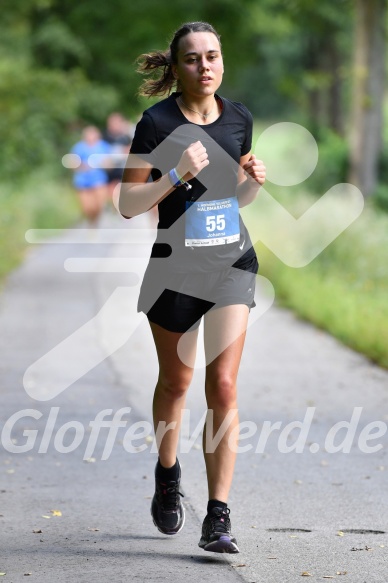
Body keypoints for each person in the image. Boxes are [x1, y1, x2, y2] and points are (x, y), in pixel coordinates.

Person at [119, 22, 266, 553]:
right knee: (176, 384)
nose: (205, 66)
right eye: (192, 59)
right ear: (176, 68)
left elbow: (234, 200)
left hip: (232, 263)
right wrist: (175, 174)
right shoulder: (155, 123)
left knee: (222, 386)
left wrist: (250, 181)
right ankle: (166, 473)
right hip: (174, 269)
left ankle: (218, 515)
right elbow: (128, 204)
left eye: (212, 56)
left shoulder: (240, 118)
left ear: (221, 62)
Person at [70, 126, 111, 225]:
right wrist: (81, 166)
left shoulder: (103, 146)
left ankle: (96, 222)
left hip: (99, 179)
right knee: (87, 207)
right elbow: (72, 163)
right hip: (82, 180)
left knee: (99, 205)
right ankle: (91, 221)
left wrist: (105, 164)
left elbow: (110, 164)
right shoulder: (78, 147)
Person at [103, 113, 133, 203]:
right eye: (113, 123)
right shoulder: (104, 138)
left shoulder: (126, 138)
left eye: (117, 123)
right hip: (110, 172)